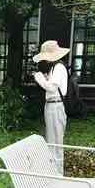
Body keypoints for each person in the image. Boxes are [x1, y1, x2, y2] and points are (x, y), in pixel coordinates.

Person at [33, 40, 70, 175]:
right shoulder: (54, 68)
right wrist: (46, 77)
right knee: (51, 140)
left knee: (56, 142)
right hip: (52, 105)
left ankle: (58, 174)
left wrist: (39, 78)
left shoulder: (59, 68)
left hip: (56, 106)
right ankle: (53, 171)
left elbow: (52, 87)